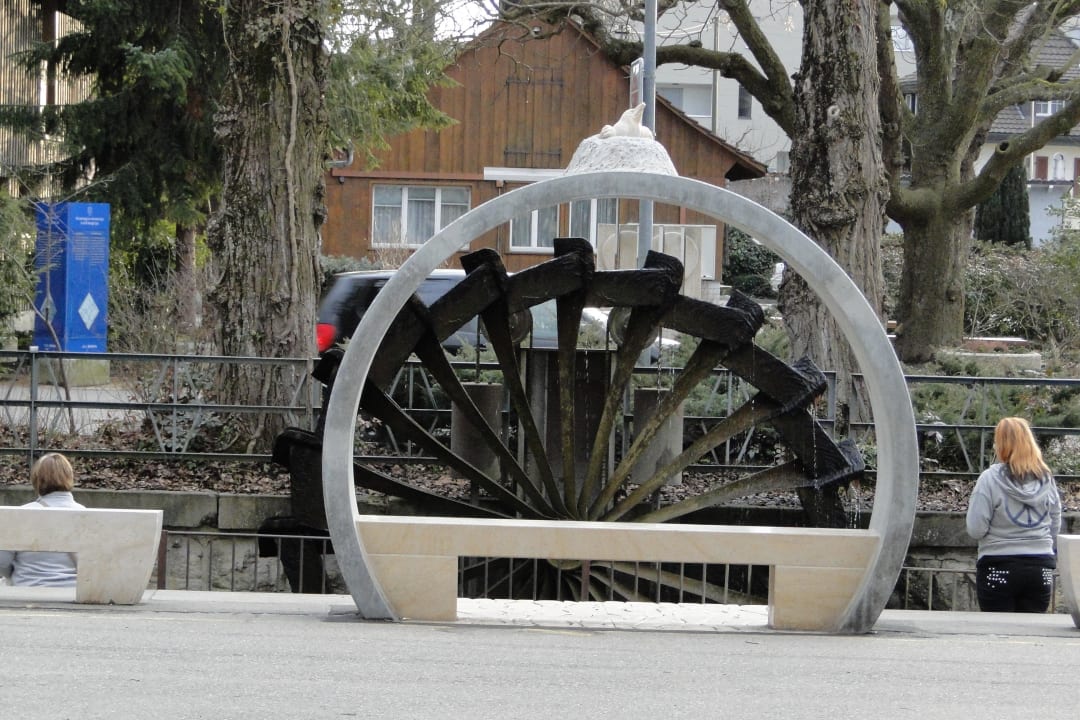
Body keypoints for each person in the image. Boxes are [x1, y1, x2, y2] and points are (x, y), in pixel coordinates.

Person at [966, 417, 1061, 612]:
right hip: (1040, 569)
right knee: (1032, 628)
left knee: (997, 628)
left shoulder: (989, 479)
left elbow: (976, 529)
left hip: (997, 567)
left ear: (1000, 444)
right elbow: (1055, 522)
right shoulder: (1046, 479)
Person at [0, 453, 85, 587]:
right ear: (70, 477)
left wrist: (16, 574)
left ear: (36, 480)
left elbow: (2, 562)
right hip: (73, 590)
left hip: (27, 589)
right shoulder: (86, 515)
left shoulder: (21, 515)